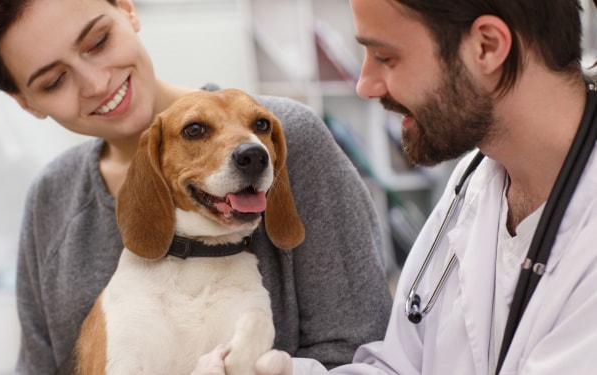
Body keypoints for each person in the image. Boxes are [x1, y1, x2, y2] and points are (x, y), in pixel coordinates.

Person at [0, 0, 395, 373]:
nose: (96, 83)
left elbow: (364, 353)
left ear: (126, 9)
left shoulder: (287, 138)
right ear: (25, 102)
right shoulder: (50, 198)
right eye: (53, 82)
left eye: (98, 42)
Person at [192, 0, 597, 374]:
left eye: (386, 57)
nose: (365, 85)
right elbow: (402, 366)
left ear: (487, 46)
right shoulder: (475, 180)